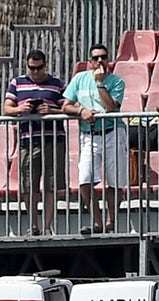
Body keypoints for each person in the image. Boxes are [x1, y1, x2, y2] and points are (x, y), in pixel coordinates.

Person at [62, 43, 127, 236]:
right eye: (96, 58)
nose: (100, 61)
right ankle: (97, 222)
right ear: (90, 61)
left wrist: (100, 84)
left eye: (104, 57)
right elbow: (66, 105)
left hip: (112, 131)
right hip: (88, 134)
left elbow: (110, 108)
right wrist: (81, 110)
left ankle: (111, 221)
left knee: (114, 181)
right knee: (85, 180)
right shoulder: (79, 79)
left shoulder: (116, 82)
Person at [3, 49, 67, 236]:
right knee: (28, 185)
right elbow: (6, 109)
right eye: (32, 68)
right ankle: (33, 225)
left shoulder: (57, 84)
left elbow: (68, 108)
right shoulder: (17, 83)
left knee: (51, 184)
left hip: (53, 140)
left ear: (45, 65)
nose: (35, 72)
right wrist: (21, 109)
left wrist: (51, 110)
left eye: (39, 68)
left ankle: (47, 226)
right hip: (27, 140)